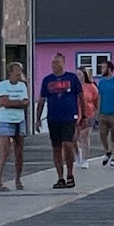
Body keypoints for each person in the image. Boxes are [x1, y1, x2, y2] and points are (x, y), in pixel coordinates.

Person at [36, 53, 84, 190]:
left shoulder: (72, 78)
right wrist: (37, 118)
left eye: (57, 63)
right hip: (53, 117)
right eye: (52, 63)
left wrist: (84, 116)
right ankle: (60, 177)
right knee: (56, 147)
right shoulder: (47, 80)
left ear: (63, 63)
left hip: (69, 117)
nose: (54, 65)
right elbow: (41, 100)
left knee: (68, 144)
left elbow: (81, 97)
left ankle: (70, 174)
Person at [0, 61, 29, 192]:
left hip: (19, 119)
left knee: (19, 151)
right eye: (17, 71)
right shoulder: (2, 85)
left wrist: (14, 102)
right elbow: (3, 102)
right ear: (10, 73)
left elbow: (26, 102)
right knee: (4, 150)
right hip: (5, 119)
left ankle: (18, 179)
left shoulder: (23, 86)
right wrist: (19, 103)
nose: (20, 73)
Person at [76, 67, 99, 169]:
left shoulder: (91, 87)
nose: (78, 76)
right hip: (75, 115)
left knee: (84, 137)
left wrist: (98, 113)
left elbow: (96, 100)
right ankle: (77, 155)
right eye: (77, 74)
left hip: (88, 114)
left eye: (80, 74)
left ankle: (85, 159)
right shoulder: (74, 87)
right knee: (74, 138)